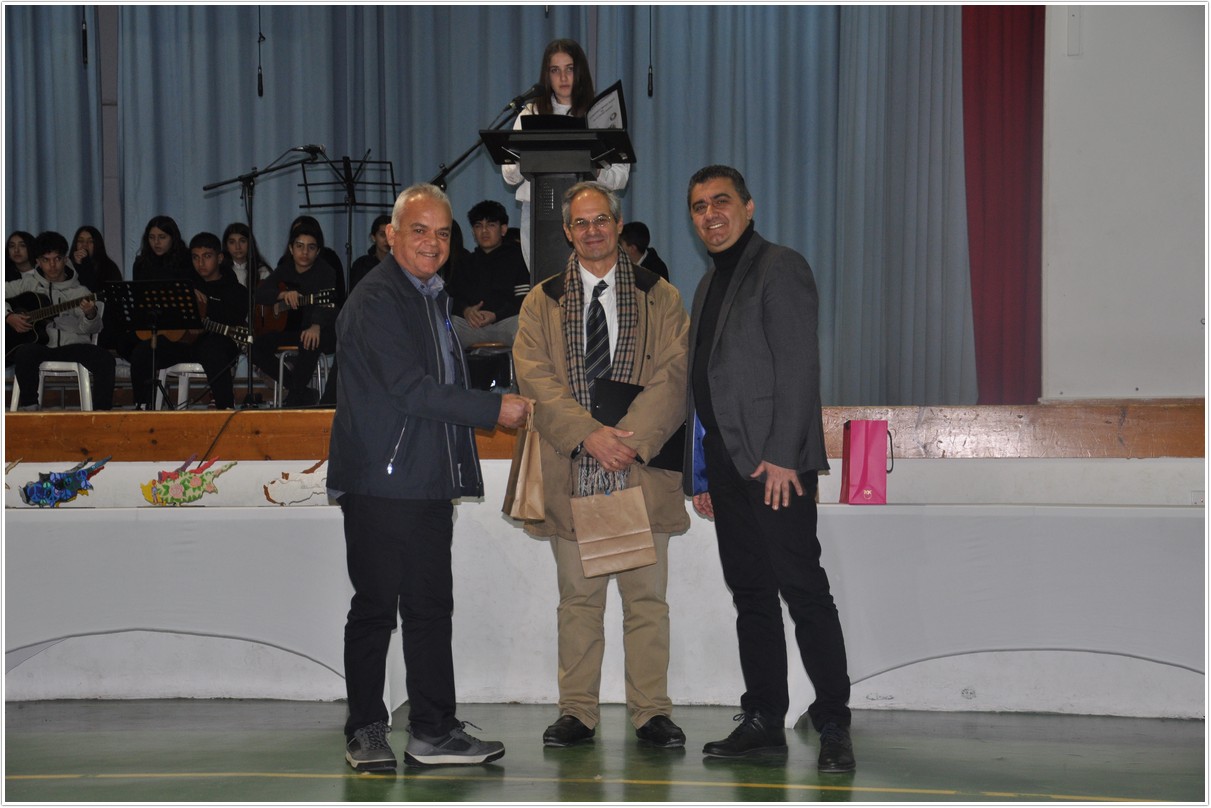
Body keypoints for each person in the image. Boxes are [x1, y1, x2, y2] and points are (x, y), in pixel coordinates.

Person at [328, 183, 530, 771]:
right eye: (419, 230)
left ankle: (433, 731)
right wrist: (493, 409)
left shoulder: (432, 296)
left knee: (429, 609)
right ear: (392, 235)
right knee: (375, 609)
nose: (432, 243)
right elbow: (409, 390)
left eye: (443, 233)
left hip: (425, 480)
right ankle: (366, 730)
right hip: (380, 480)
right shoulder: (377, 299)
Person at [682, 165, 855, 773]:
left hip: (775, 467)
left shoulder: (780, 267)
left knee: (804, 593)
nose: (711, 214)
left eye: (721, 201)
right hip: (727, 468)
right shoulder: (708, 284)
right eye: (699, 206)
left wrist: (783, 455)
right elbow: (703, 385)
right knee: (751, 596)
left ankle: (833, 723)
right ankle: (762, 720)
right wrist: (700, 474)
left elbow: (800, 368)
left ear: (748, 206)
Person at [513, 181, 689, 749]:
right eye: (581, 223)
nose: (592, 231)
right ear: (568, 232)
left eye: (601, 220)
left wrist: (626, 442)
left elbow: (675, 374)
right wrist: (589, 435)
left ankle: (652, 712)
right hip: (573, 469)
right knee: (578, 602)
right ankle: (577, 712)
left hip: (641, 468)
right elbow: (533, 378)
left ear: (617, 225)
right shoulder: (541, 301)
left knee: (646, 601)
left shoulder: (661, 296)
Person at [502, 38, 630, 269]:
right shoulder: (531, 113)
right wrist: (528, 156)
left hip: (589, 216)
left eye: (569, 69)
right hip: (540, 213)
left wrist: (595, 167)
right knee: (544, 284)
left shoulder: (601, 112)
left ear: (580, 71)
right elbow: (509, 176)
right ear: (547, 75)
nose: (563, 77)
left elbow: (621, 177)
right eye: (555, 70)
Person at [129, 232, 247, 410]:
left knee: (214, 351)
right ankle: (144, 406)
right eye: (195, 257)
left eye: (207, 256)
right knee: (143, 351)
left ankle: (225, 409)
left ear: (220, 258)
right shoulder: (185, 282)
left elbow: (233, 317)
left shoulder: (236, 290)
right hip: (182, 343)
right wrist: (185, 293)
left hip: (216, 342)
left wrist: (205, 310)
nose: (201, 263)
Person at [5, 231, 115, 410]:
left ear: (65, 259)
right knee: (24, 352)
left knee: (105, 359)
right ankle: (30, 409)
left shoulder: (80, 292)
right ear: (38, 262)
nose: (52, 265)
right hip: (41, 347)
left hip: (72, 346)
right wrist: (8, 316)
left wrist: (90, 314)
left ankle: (101, 414)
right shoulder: (28, 284)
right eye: (46, 260)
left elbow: (93, 328)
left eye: (57, 259)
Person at [252, 219, 340, 407]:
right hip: (292, 329)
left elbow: (328, 303)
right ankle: (300, 391)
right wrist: (281, 295)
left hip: (322, 331)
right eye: (300, 246)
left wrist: (316, 325)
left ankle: (294, 398)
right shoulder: (285, 269)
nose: (305, 252)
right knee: (254, 347)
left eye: (311, 247)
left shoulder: (326, 272)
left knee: (309, 340)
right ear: (291, 249)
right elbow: (259, 293)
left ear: (318, 251)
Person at [445, 200, 530, 348]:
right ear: (473, 232)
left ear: (503, 229)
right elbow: (452, 297)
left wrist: (495, 315)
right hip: (472, 327)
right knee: (449, 323)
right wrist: (466, 311)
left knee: (525, 323)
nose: (484, 231)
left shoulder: (519, 258)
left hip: (506, 325)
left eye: (491, 225)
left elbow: (524, 300)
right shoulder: (465, 262)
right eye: (478, 226)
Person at [68, 226, 123, 293]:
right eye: (81, 241)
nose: (84, 245)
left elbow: (91, 290)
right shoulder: (68, 266)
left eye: (90, 241)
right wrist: (77, 265)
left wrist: (85, 264)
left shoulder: (109, 268)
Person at [222, 222, 271, 289]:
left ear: (250, 243)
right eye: (232, 242)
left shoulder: (261, 271)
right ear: (226, 246)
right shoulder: (220, 271)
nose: (238, 247)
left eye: (242, 241)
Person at [348, 214, 391, 292]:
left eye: (390, 235)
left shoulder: (403, 265)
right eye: (382, 235)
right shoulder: (361, 265)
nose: (387, 240)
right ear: (373, 237)